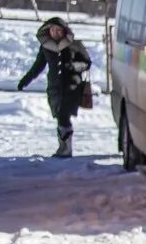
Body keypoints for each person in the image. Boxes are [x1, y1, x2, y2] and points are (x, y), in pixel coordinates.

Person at [17, 17, 91, 158]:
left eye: (58, 30)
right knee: (59, 116)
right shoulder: (46, 47)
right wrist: (25, 81)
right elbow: (38, 66)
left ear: (64, 31)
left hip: (71, 87)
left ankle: (66, 149)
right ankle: (63, 147)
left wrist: (74, 66)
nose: (55, 32)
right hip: (54, 88)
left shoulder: (75, 45)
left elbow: (86, 62)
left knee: (63, 115)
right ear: (48, 31)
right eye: (52, 30)